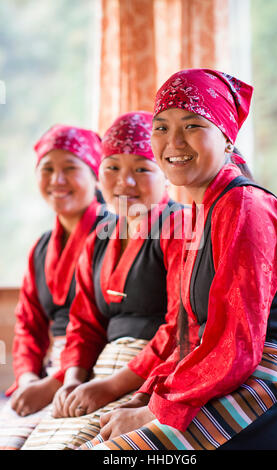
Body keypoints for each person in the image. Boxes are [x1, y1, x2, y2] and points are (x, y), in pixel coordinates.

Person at [81, 69, 277, 451]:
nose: (173, 141)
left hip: (260, 375)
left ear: (228, 139)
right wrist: (148, 393)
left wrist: (155, 412)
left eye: (193, 125)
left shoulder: (245, 206)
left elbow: (237, 342)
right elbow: (189, 332)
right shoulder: (201, 210)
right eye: (161, 128)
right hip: (217, 369)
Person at [21, 111, 188, 450]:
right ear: (99, 175)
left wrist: (110, 387)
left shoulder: (180, 227)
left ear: (167, 175)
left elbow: (180, 327)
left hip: (150, 379)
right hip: (96, 375)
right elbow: (83, 323)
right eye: (112, 167)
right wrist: (72, 379)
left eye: (141, 169)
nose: (125, 182)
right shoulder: (99, 237)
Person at [0, 124, 103, 450]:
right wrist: (29, 379)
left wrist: (53, 384)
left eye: (70, 168)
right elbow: (28, 327)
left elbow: (112, 325)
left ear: (96, 175)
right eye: (47, 169)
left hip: (94, 370)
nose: (57, 180)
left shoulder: (113, 235)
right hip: (47, 374)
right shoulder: (41, 247)